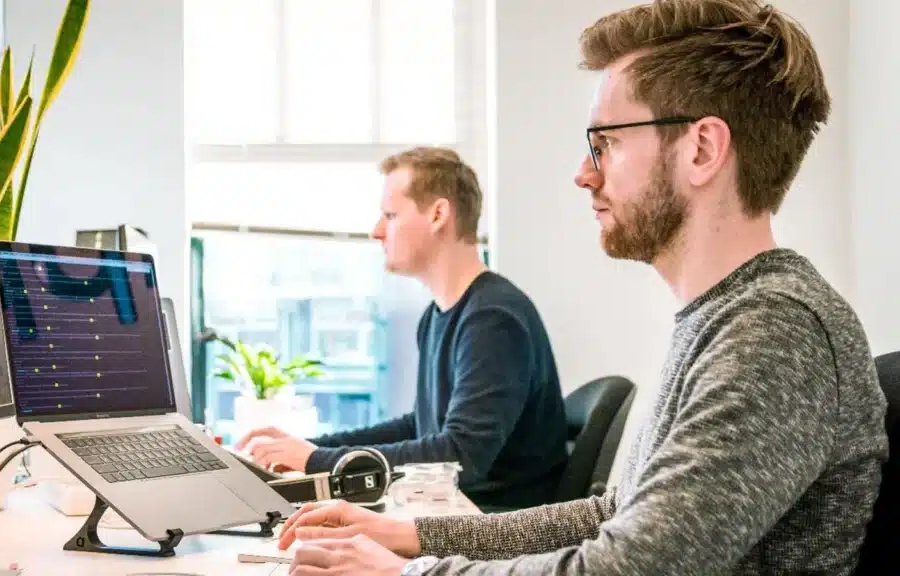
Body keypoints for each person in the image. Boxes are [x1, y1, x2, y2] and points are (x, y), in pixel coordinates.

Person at [275, 1, 890, 574]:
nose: (583, 173)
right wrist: (415, 537)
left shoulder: (774, 332)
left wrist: (416, 572)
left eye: (607, 143)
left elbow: (631, 568)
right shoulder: (725, 317)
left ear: (701, 149)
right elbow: (613, 516)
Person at [234, 147, 569, 511]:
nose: (377, 231)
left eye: (390, 215)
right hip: (452, 512)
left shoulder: (493, 320)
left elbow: (459, 458)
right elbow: (419, 427)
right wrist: (311, 449)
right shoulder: (439, 316)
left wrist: (317, 462)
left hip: (491, 527)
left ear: (439, 214)